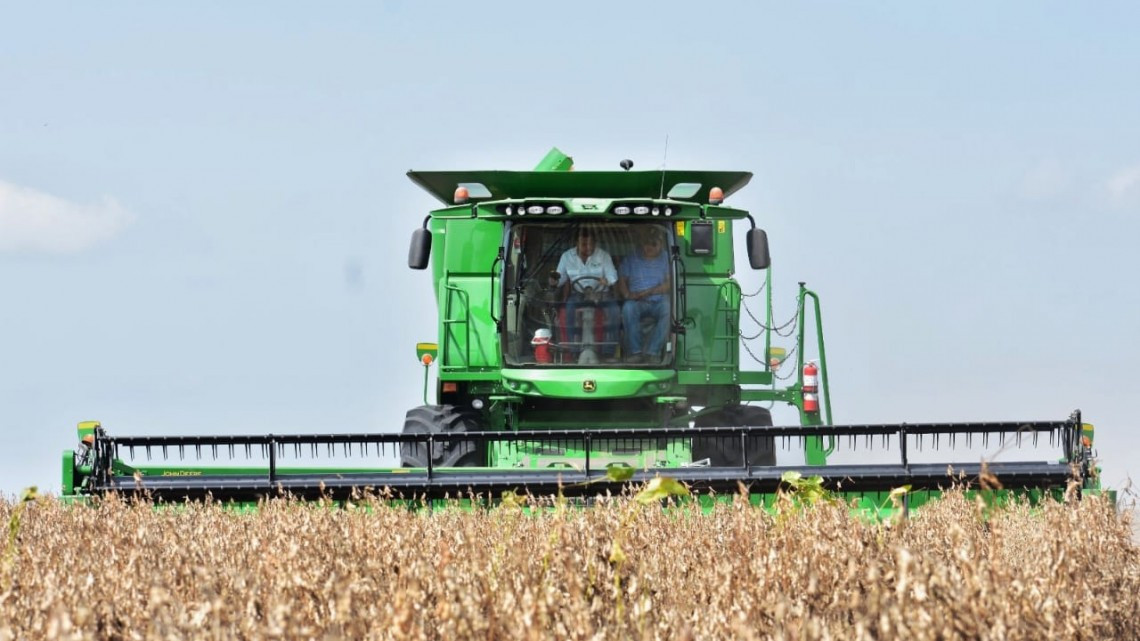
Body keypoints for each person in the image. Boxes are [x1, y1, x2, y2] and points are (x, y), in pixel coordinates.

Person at [555, 227, 619, 362]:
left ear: (595, 243)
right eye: (584, 244)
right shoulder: (566, 257)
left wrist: (607, 281)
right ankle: (573, 351)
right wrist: (554, 280)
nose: (588, 247)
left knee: (614, 310)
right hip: (578, 294)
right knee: (568, 309)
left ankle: (608, 352)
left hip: (601, 294)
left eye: (591, 244)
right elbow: (560, 279)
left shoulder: (603, 256)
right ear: (577, 244)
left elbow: (613, 276)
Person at [618, 227, 671, 364]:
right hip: (637, 302)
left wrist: (648, 292)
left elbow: (669, 284)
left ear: (661, 244)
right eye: (647, 243)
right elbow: (622, 279)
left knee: (669, 309)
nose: (649, 247)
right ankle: (635, 352)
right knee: (628, 308)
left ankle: (652, 352)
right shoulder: (632, 257)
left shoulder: (666, 258)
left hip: (658, 300)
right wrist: (627, 294)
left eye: (654, 244)